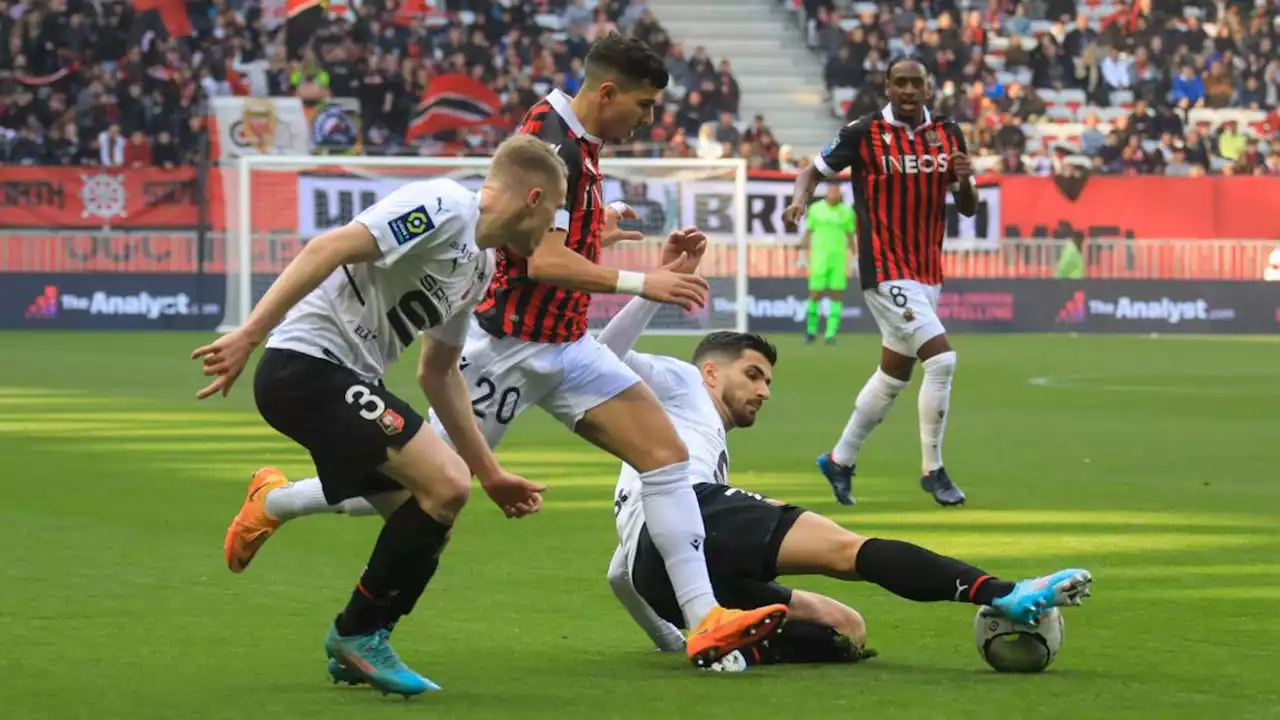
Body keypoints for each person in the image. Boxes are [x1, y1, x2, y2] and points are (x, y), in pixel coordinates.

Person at [223, 32, 791, 676]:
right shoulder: (548, 139)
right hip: (507, 347)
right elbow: (544, 261)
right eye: (644, 104)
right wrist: (645, 282)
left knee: (664, 455)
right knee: (409, 487)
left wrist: (598, 226)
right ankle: (274, 501)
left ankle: (704, 621)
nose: (649, 118)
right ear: (607, 93)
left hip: (568, 344)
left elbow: (551, 240)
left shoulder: (581, 145)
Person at [592, 247, 1092, 664]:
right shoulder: (682, 381)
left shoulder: (679, 444)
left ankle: (741, 652)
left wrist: (668, 638)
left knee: (846, 627)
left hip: (658, 573)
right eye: (752, 374)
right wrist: (649, 287)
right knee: (848, 552)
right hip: (699, 514)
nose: (764, 390)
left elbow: (621, 574)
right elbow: (603, 354)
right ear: (710, 372)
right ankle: (1004, 592)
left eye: (767, 380)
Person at [195, 135, 566, 697]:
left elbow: (438, 372)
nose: (552, 229)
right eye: (555, 214)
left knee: (426, 517)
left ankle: (364, 641)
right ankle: (356, 635)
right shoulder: (445, 206)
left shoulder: (481, 268)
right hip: (305, 366)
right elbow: (330, 247)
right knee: (445, 484)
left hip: (344, 381)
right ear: (534, 198)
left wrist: (491, 473)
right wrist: (251, 333)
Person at [783, 57, 978, 508]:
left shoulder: (948, 133)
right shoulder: (862, 133)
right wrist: (799, 203)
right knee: (942, 360)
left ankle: (840, 458)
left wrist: (966, 181)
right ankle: (934, 470)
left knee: (894, 375)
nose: (909, 90)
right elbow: (811, 171)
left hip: (927, 271)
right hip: (885, 269)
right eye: (901, 82)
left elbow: (966, 205)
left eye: (917, 83)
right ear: (887, 87)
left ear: (929, 88)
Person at [798, 182, 856, 345]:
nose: (834, 193)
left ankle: (831, 333)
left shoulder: (847, 212)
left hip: (838, 260)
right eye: (831, 190)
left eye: (837, 190)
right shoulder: (816, 209)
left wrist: (854, 258)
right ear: (827, 192)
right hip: (819, 259)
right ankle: (811, 331)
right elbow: (808, 232)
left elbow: (851, 236)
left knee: (836, 295)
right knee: (815, 294)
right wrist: (802, 253)